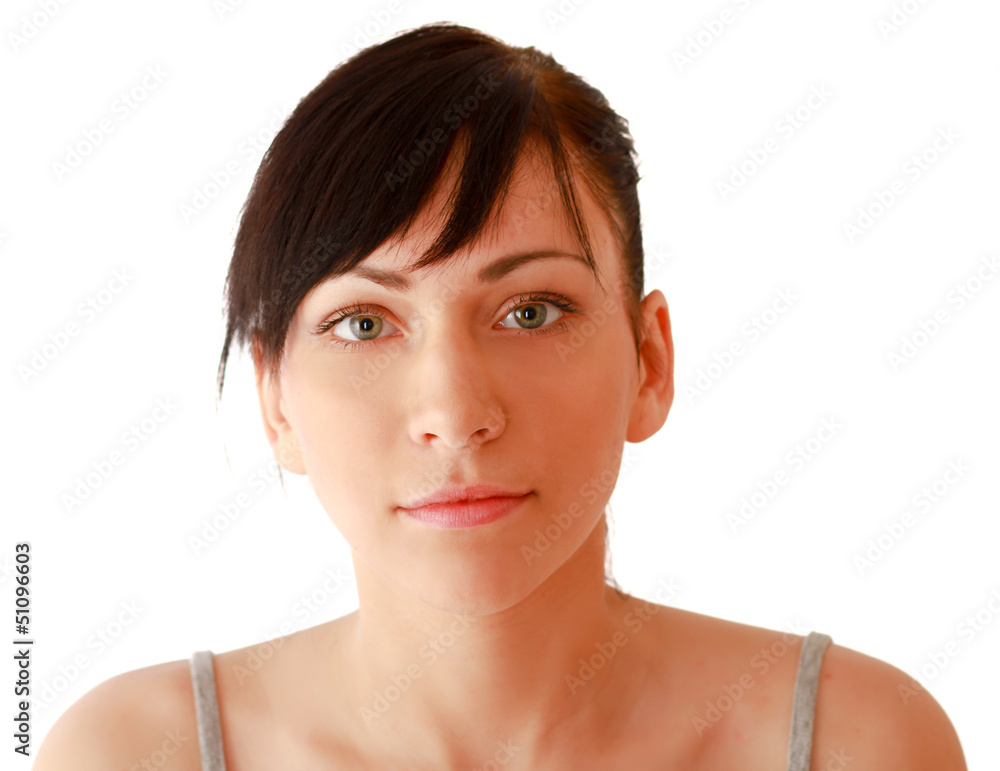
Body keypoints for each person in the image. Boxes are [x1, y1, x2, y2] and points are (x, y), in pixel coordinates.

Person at [36, 22, 966, 770]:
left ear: (649, 362)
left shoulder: (859, 742)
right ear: (275, 399)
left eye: (530, 310)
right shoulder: (129, 753)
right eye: (364, 323)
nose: (453, 410)